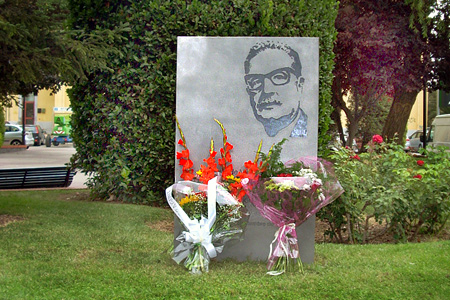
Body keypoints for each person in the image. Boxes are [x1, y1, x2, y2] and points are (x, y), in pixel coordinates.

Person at [244, 41, 307, 137]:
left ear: (299, 85)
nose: (267, 90)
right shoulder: (246, 134)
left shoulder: (304, 131)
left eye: (279, 77)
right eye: (256, 81)